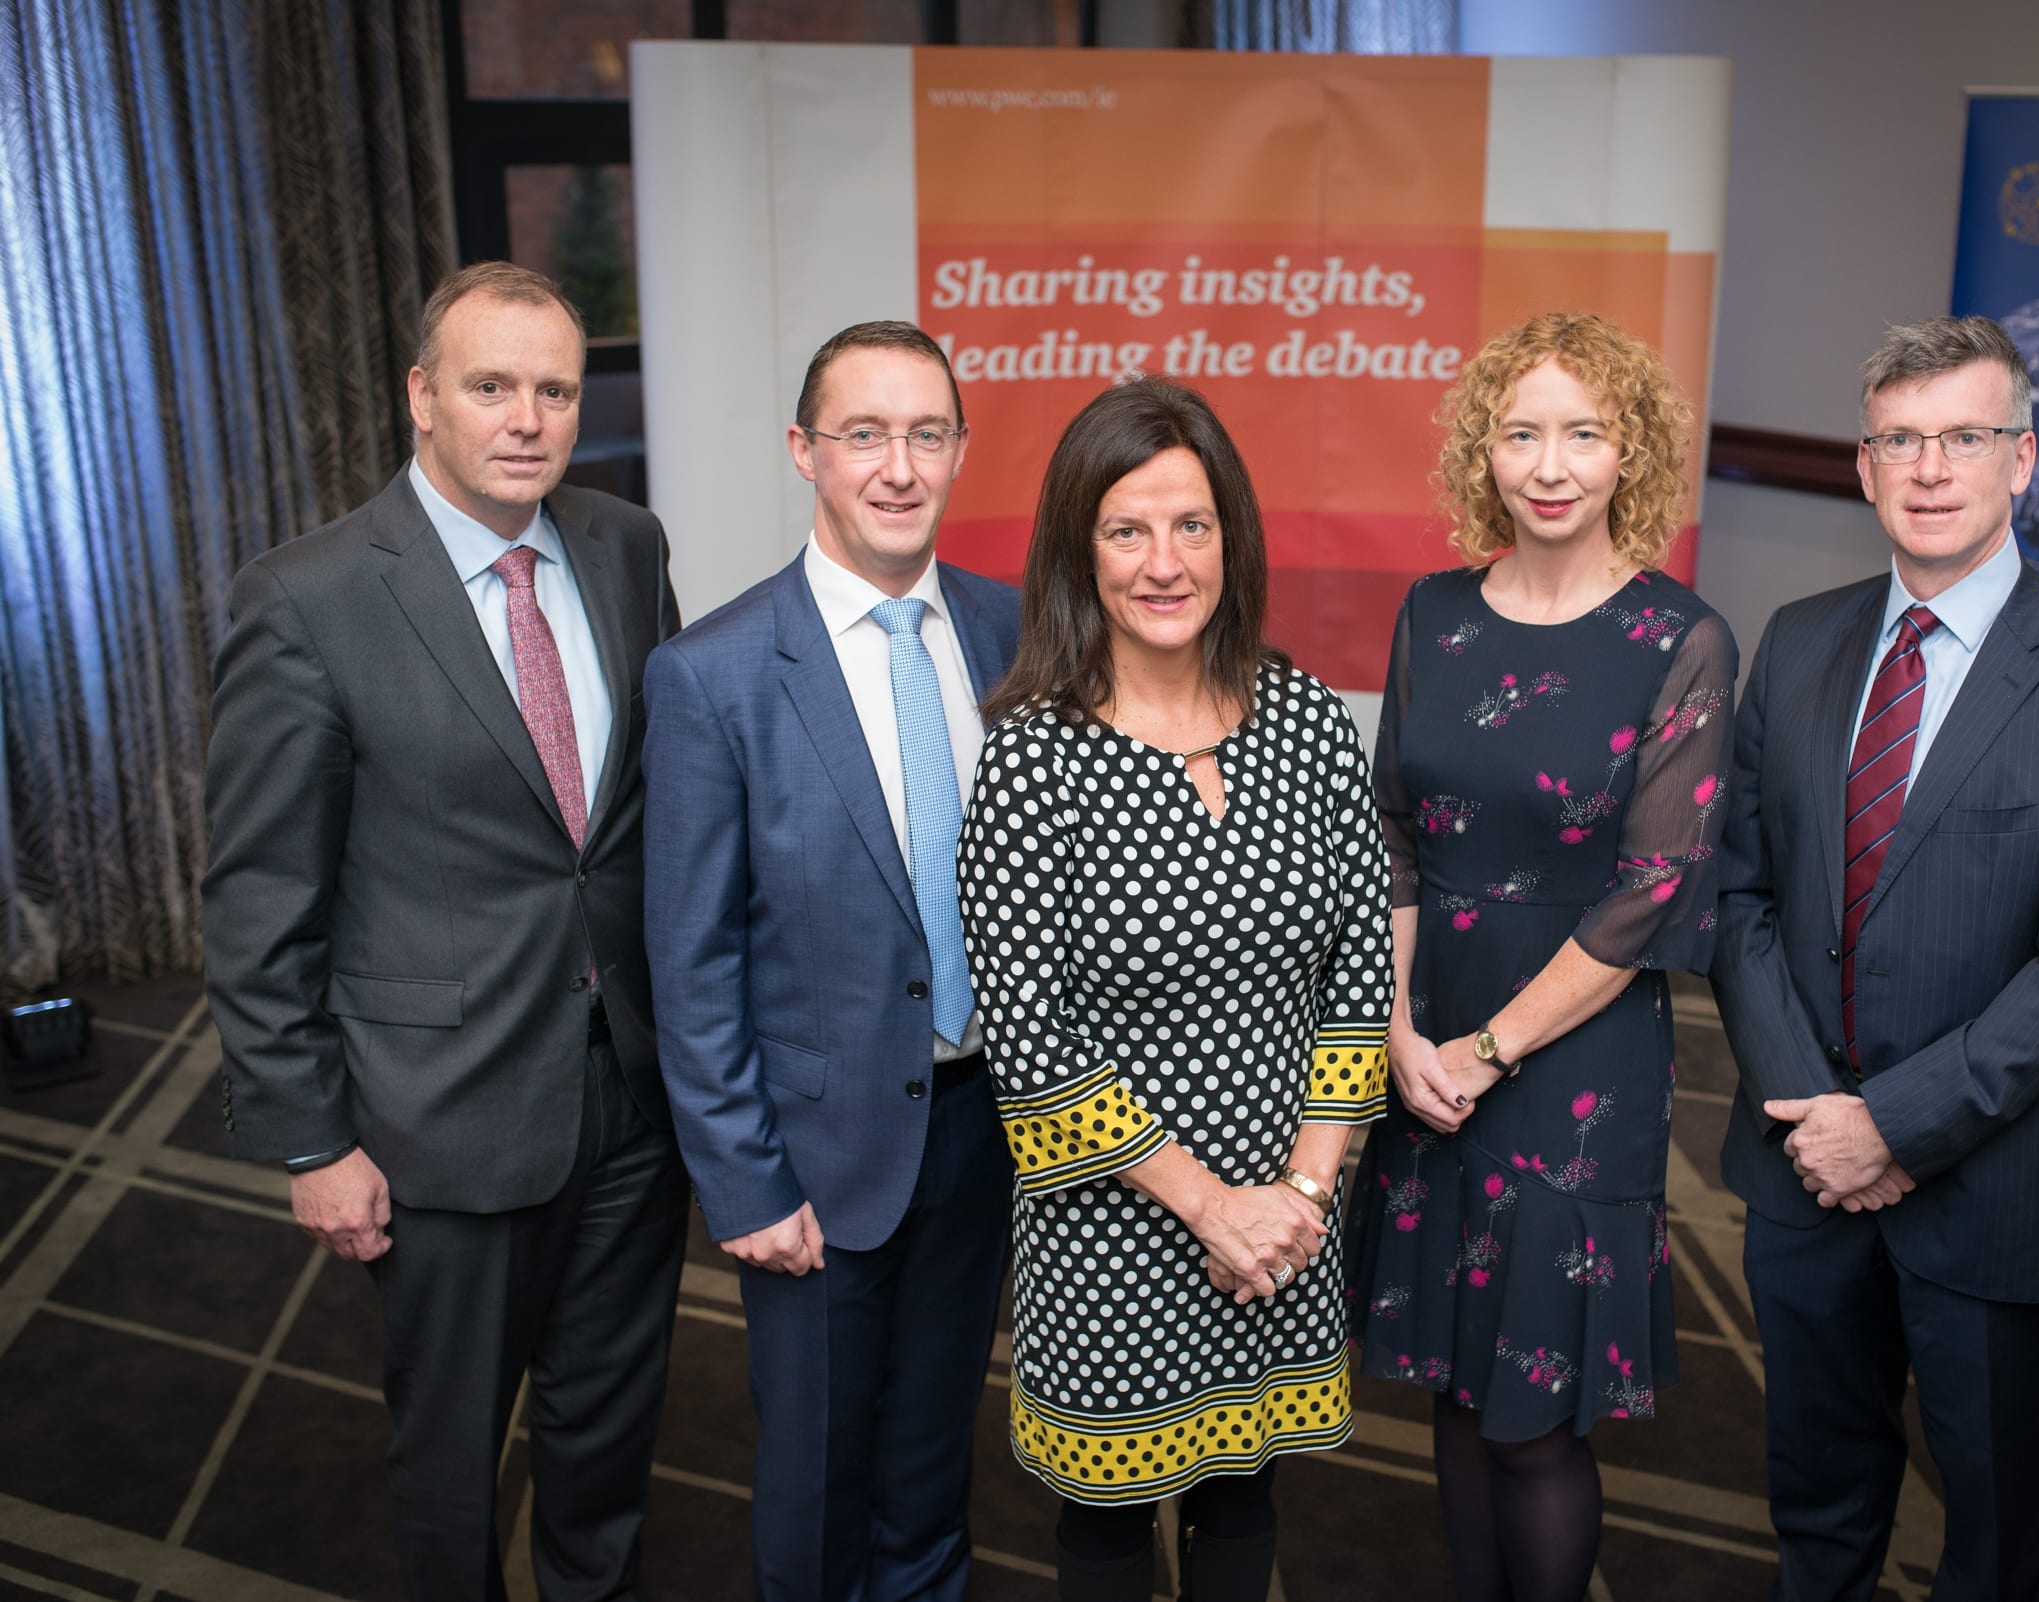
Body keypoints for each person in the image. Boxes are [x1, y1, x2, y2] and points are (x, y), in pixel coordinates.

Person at [202, 261, 685, 1601]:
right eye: (491, 386)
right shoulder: (308, 599)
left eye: (554, 390)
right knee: (448, 1462)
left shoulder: (624, 545)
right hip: (437, 1125)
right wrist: (312, 1136)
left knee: (608, 1442)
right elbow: (258, 898)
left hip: (632, 1099)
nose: (527, 418)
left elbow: (651, 812)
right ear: (423, 397)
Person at [1710, 315, 2039, 1602]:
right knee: (1815, 1511)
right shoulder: (1799, 641)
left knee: (1990, 1542)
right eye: (1900, 441)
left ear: (2024, 459)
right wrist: (1816, 1116)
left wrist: (1892, 1126)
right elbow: (1741, 895)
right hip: (1800, 1166)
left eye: (1965, 438)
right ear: (1865, 468)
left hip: (1996, 1191)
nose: (1931, 469)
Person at [955, 377, 1392, 1602]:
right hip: (1118, 1228)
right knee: (1106, 1526)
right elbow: (1030, 1037)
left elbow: (1359, 974)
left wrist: (1298, 1193)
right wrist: (1214, 1210)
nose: (1164, 562)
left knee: (1246, 1503)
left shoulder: (1305, 718)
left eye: (1191, 525)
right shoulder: (1033, 755)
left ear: (1232, 538)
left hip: (1287, 1218)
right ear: (1077, 552)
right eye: (1127, 529)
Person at [1344, 311, 1737, 1602]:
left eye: (1584, 431)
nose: (1550, 463)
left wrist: (1487, 1046)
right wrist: (1398, 1030)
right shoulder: (1434, 616)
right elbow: (1395, 827)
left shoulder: (1680, 639)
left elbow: (1650, 893)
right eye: (1522, 432)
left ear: (1631, 453)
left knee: (1535, 1418)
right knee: (1460, 1390)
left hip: (1574, 1066)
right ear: (1485, 452)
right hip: (1427, 1048)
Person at [642, 321, 1019, 1602]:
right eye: (865, 434)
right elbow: (688, 963)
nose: (898, 467)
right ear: (806, 451)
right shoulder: (714, 675)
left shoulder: (1013, 636)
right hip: (813, 1158)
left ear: (962, 450)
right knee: (814, 1488)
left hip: (988, 1133)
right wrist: (743, 1183)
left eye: (926, 434)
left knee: (932, 1469)